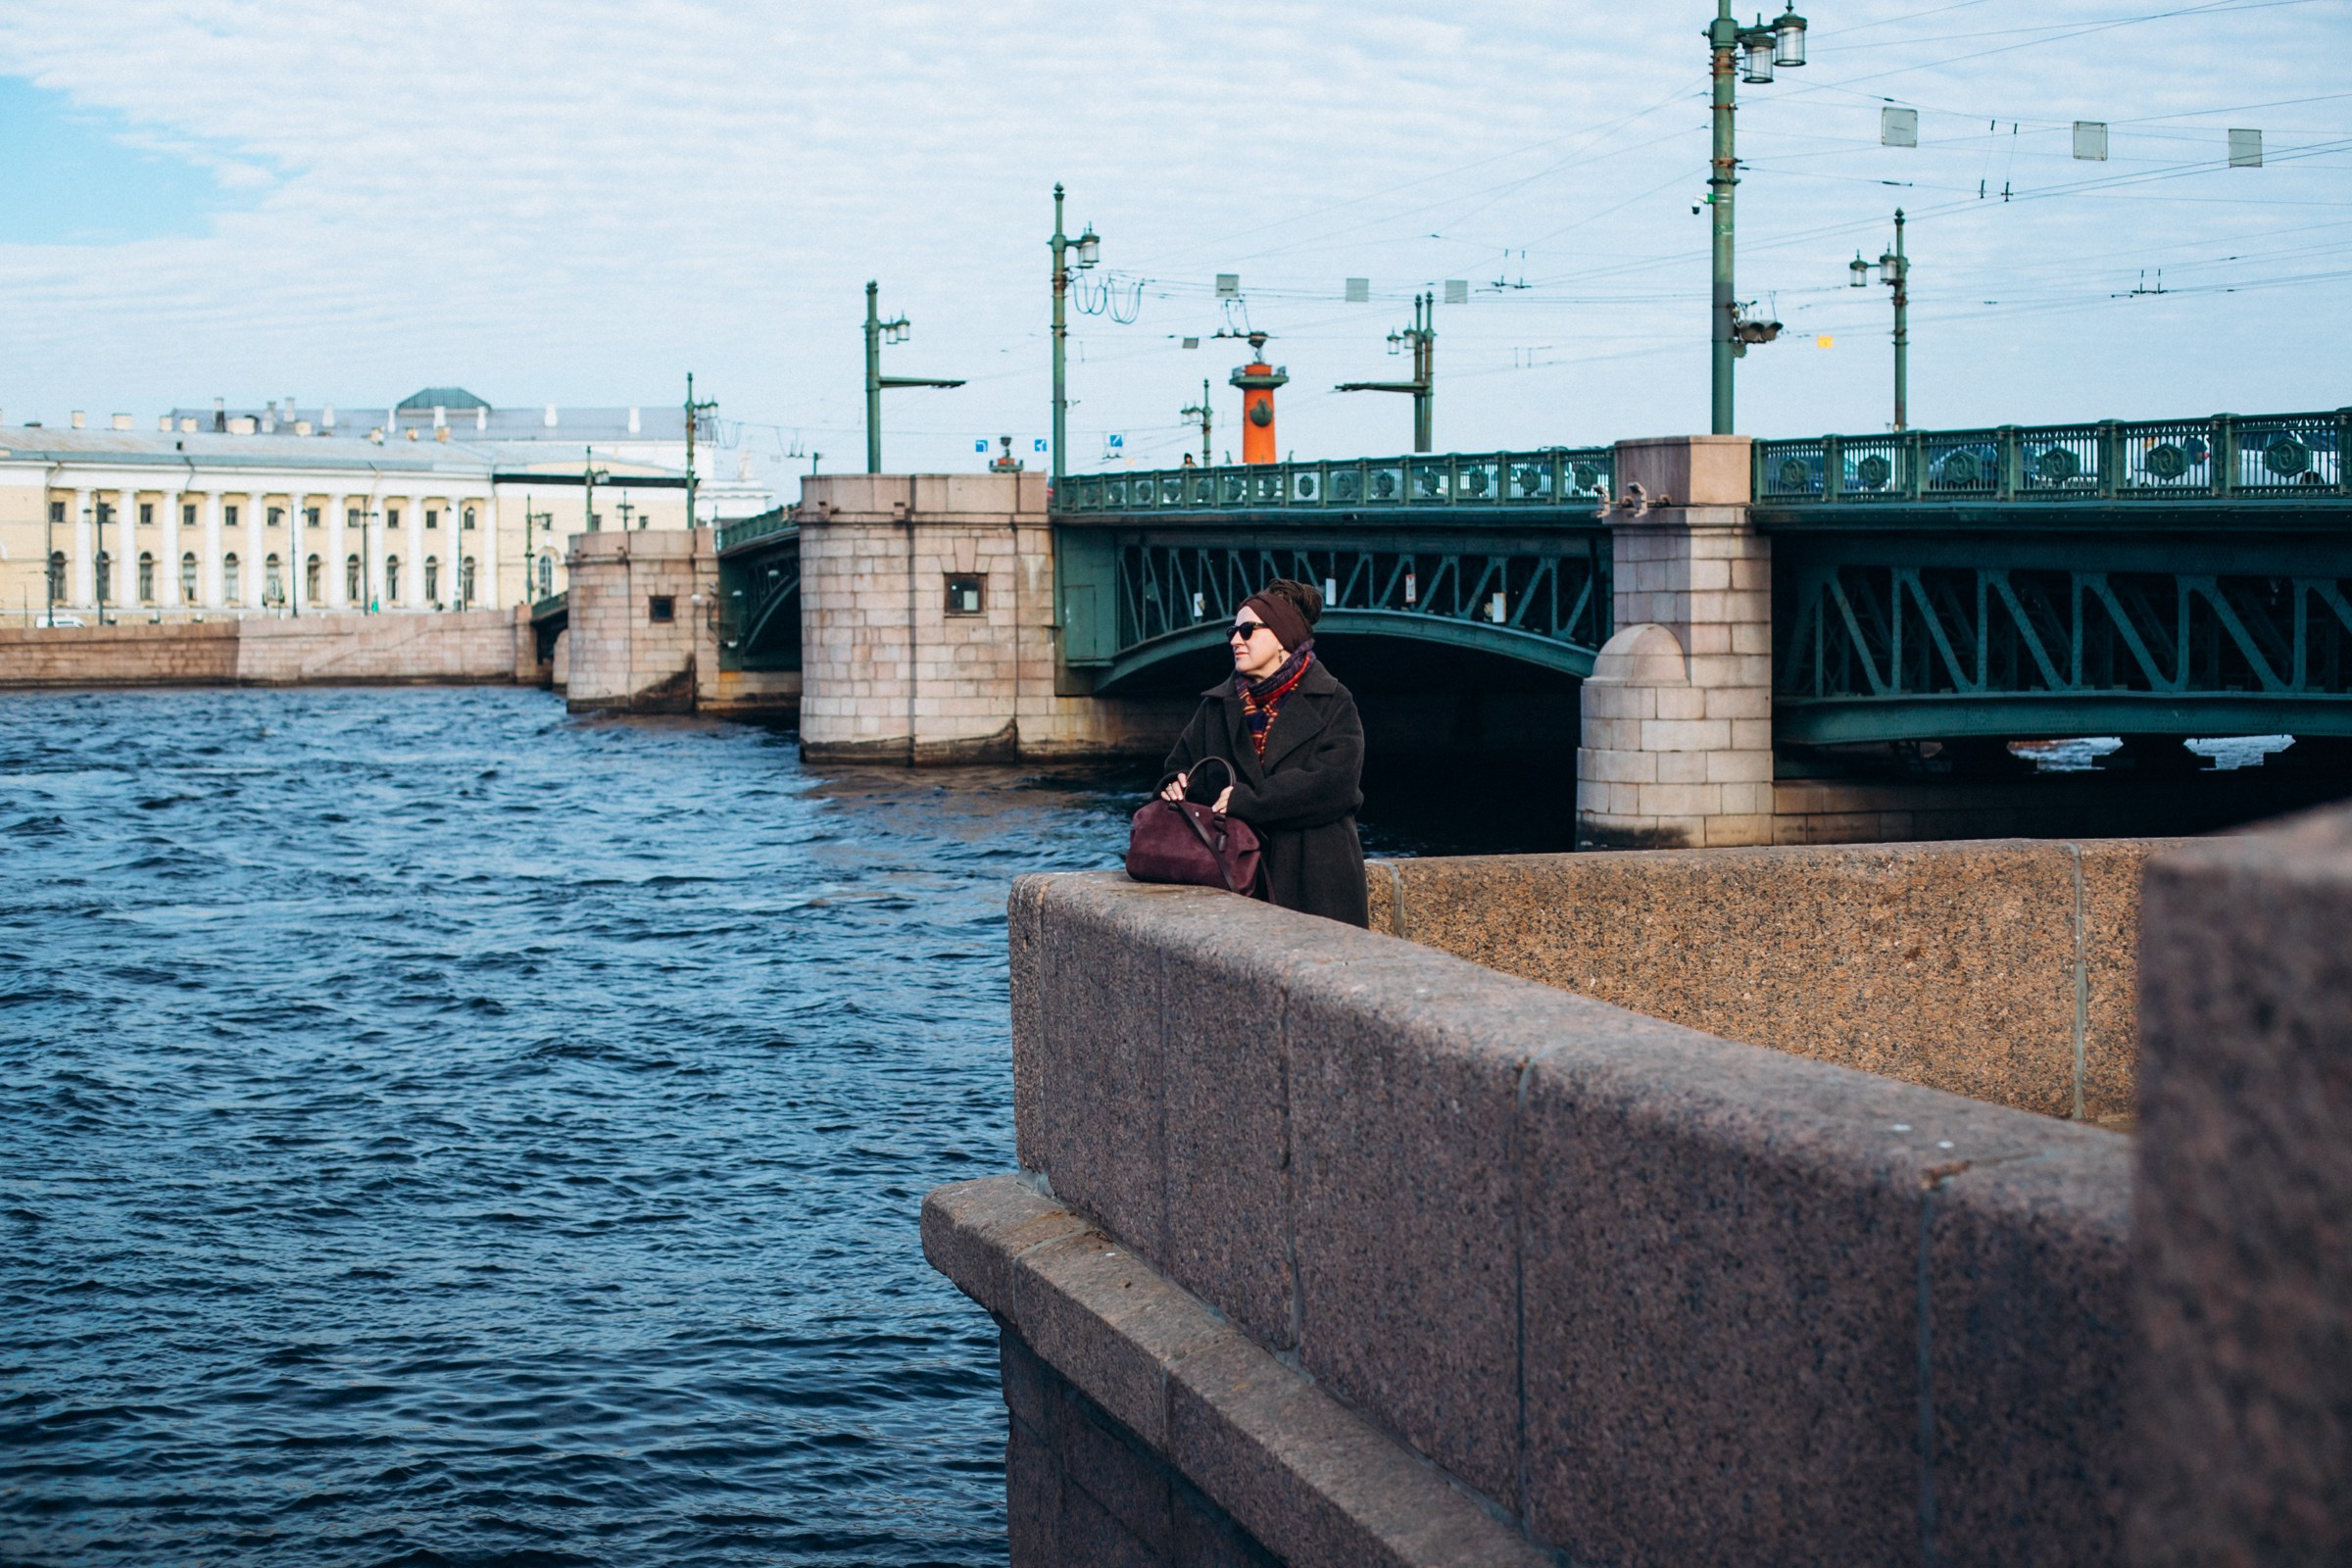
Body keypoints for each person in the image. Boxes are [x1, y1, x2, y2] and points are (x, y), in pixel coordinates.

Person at [1159, 578, 1368, 927]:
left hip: (1316, 879)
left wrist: (1248, 800)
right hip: (1235, 880)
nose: (1235, 640)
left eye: (1247, 630)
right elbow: (1180, 765)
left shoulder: (1333, 701)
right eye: (1232, 631)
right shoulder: (1216, 706)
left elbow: (1335, 784)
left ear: (1283, 639)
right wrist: (1173, 784)